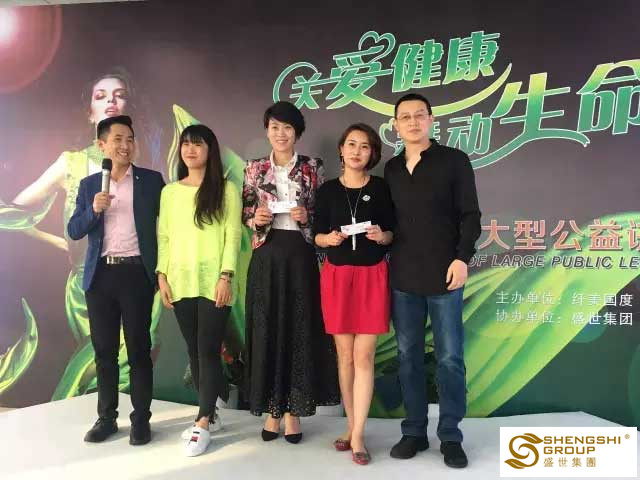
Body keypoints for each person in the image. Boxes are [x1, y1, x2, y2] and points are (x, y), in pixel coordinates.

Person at [6, 68, 162, 399]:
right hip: (88, 283)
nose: (111, 101)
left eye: (119, 95)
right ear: (90, 113)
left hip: (137, 276)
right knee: (99, 363)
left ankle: (136, 419)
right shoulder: (71, 163)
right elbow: (19, 207)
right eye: (101, 96)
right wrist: (61, 240)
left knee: (134, 357)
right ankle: (100, 417)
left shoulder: (147, 168)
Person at [384, 93, 481, 468]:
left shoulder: (454, 160)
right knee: (407, 357)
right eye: (405, 117)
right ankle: (414, 431)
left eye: (419, 115)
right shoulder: (392, 169)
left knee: (450, 359)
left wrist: (462, 258)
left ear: (431, 119)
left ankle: (451, 435)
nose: (412, 122)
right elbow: (392, 223)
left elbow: (470, 215)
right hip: (404, 277)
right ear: (395, 125)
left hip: (445, 275)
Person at [242, 101, 339, 443]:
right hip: (267, 257)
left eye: (287, 128)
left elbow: (323, 214)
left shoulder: (313, 167)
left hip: (300, 255)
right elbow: (245, 211)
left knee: (299, 330)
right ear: (266, 131)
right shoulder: (254, 168)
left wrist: (307, 217)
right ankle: (272, 410)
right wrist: (255, 219)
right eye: (274, 127)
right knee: (268, 328)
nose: (280, 134)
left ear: (297, 133)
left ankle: (293, 412)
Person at [67, 115, 165, 445]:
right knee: (104, 352)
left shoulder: (151, 181)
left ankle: (141, 420)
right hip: (100, 277)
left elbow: (167, 227)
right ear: (102, 145)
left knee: (139, 350)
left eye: (130, 139)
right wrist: (93, 210)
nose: (126, 145)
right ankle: (107, 418)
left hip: (136, 274)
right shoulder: (90, 185)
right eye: (118, 139)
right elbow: (74, 230)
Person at [156, 124, 241, 456]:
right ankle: (212, 413)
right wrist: (162, 276)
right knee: (194, 349)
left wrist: (226, 275)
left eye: (198, 144)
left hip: (214, 281)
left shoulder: (226, 189)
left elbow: (232, 236)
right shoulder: (170, 192)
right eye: (185, 144)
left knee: (207, 349)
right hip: (180, 280)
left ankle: (202, 421)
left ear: (210, 150)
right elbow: (164, 236)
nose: (190, 150)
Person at [314, 123, 394, 465]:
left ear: (372, 153)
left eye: (364, 146)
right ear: (341, 149)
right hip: (337, 277)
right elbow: (316, 235)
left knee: (364, 356)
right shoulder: (327, 191)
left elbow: (392, 234)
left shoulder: (381, 188)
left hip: (372, 276)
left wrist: (381, 235)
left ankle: (358, 434)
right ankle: (351, 426)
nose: (357, 151)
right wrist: (328, 239)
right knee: (344, 357)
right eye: (351, 144)